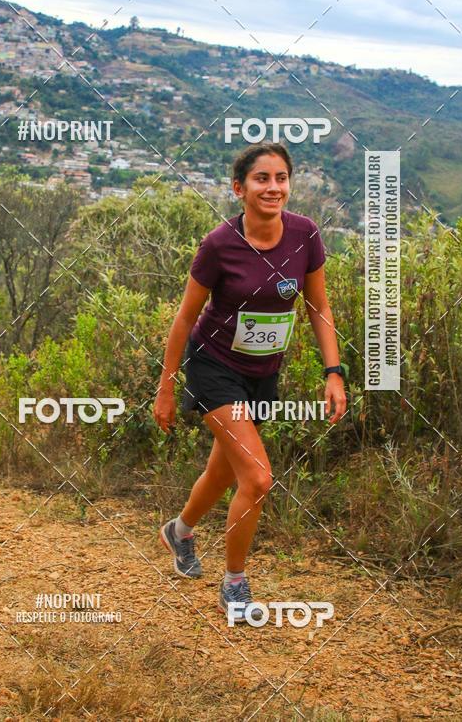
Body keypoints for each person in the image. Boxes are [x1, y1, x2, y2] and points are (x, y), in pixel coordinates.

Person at [153, 143, 346, 622]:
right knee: (257, 478)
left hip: (263, 372)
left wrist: (333, 371)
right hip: (213, 366)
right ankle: (235, 582)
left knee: (224, 472)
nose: (273, 187)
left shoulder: (305, 235)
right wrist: (167, 385)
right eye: (262, 179)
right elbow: (184, 318)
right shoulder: (219, 243)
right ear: (240, 189)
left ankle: (179, 531)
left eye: (281, 178)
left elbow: (318, 308)